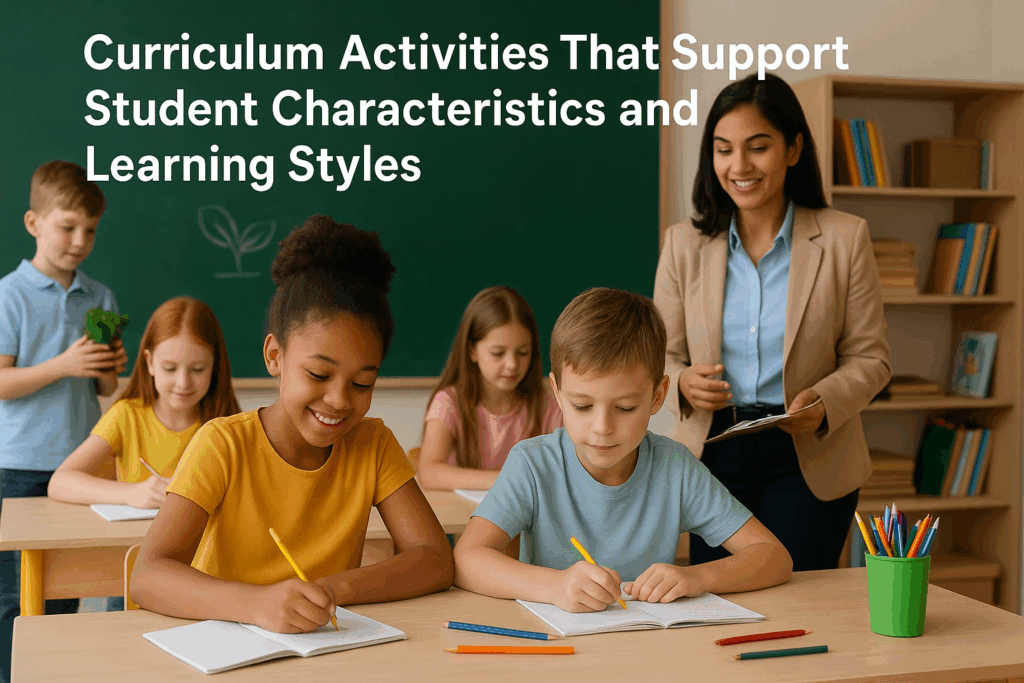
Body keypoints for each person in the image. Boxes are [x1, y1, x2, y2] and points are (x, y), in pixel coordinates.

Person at [130, 215, 453, 633]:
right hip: (228, 648)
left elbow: (434, 559)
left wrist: (332, 590)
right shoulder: (223, 445)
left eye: (362, 383)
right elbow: (148, 575)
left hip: (321, 650)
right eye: (318, 375)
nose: (339, 400)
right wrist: (258, 604)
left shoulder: (372, 444)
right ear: (275, 356)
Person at [653, 73, 891, 572]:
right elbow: (662, 357)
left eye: (757, 147)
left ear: (793, 148)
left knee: (805, 606)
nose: (738, 166)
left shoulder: (845, 239)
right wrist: (682, 382)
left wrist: (824, 402)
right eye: (723, 149)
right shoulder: (683, 245)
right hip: (712, 454)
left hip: (808, 454)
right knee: (716, 602)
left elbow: (871, 359)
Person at [453, 288, 791, 612]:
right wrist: (554, 586)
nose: (602, 427)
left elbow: (773, 557)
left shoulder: (676, 468)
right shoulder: (532, 464)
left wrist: (697, 577)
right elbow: (467, 559)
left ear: (658, 396)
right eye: (582, 406)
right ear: (557, 392)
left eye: (626, 408)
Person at [0, 160, 127, 683]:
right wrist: (63, 365)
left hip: (75, 471)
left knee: (64, 588)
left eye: (90, 230)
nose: (79, 240)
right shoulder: (9, 295)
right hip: (17, 466)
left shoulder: (100, 297)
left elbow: (105, 389)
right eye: (67, 226)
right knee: (13, 596)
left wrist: (106, 370)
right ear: (34, 223)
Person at [47, 296, 240, 610]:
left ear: (215, 365)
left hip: (206, 572)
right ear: (149, 362)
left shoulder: (226, 426)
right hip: (135, 568)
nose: (183, 382)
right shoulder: (127, 415)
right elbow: (60, 482)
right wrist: (131, 492)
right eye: (169, 367)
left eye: (198, 369)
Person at [418, 286, 561, 491]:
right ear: (472, 351)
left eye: (522, 352)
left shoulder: (548, 404)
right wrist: (507, 481)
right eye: (497, 353)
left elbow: (563, 471)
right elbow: (428, 472)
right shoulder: (449, 402)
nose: (512, 364)